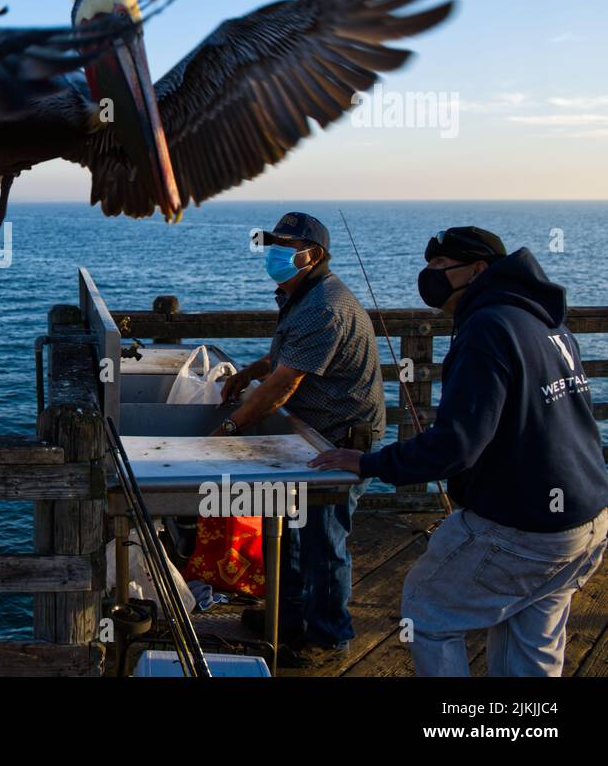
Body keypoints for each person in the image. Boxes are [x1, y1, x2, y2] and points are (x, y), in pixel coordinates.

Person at [311, 226, 608, 676]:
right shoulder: (545, 320)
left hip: (523, 527)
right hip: (586, 519)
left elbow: (457, 444)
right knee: (529, 642)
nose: (428, 275)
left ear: (478, 270)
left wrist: (370, 462)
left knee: (427, 613)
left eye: (439, 267)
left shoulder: (487, 327)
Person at [215, 212, 386, 666]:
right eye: (274, 241)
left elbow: (285, 384)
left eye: (287, 245)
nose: (276, 251)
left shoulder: (325, 306)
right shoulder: (302, 295)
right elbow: (285, 359)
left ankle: (329, 637)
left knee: (323, 544)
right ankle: (287, 617)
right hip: (311, 436)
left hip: (341, 441)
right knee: (289, 531)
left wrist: (230, 428)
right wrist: (252, 370)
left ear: (314, 256)